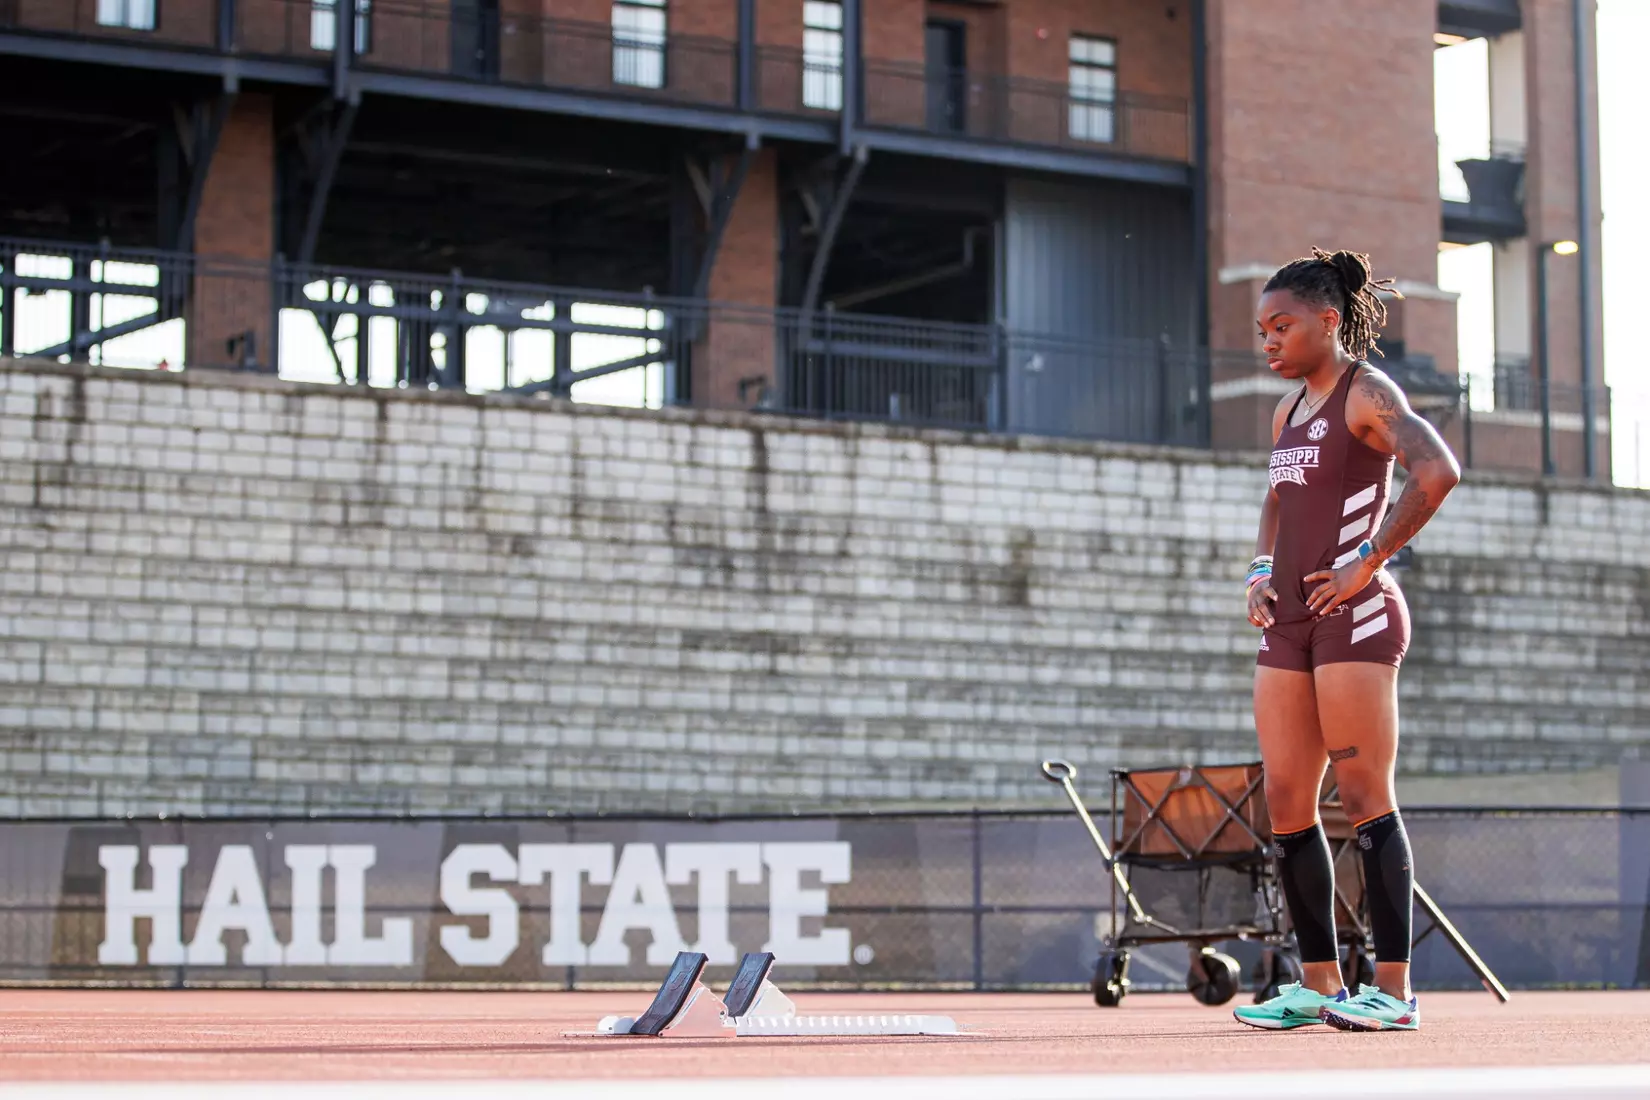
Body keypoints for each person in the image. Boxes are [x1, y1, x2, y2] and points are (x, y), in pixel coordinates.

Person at [1231, 248, 1461, 1033]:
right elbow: (1278, 497)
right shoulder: (1287, 412)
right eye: (1262, 330)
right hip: (1288, 621)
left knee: (1365, 799)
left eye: (1282, 326)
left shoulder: (1368, 391)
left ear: (1329, 322)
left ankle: (1392, 993)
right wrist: (1261, 568)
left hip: (1355, 619)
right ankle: (1322, 985)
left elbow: (1438, 471)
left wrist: (1369, 560)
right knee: (1288, 802)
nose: (1268, 341)